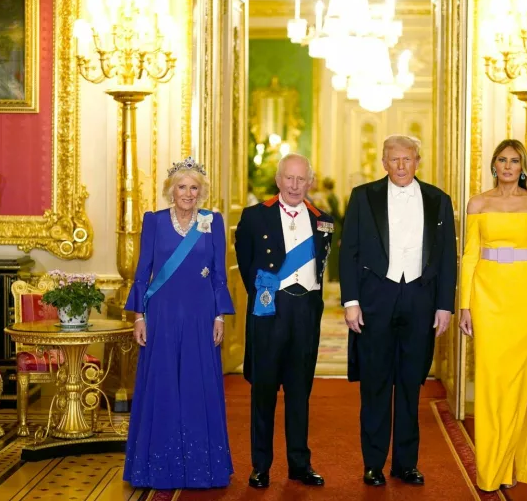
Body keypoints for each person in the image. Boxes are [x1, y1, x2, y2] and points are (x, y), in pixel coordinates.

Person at [339, 135, 457, 487]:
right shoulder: (363, 196)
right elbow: (350, 252)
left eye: (408, 159)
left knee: (410, 385)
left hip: (421, 301)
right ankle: (373, 463)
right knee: (375, 385)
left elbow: (448, 258)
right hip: (376, 299)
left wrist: (444, 306)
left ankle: (406, 464)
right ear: (384, 163)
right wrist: (350, 301)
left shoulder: (439, 200)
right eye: (395, 160)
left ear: (418, 161)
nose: (401, 166)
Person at [123, 156, 234, 490]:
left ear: (202, 192)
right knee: (163, 385)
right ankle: (156, 468)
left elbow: (218, 273)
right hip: (163, 315)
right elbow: (143, 272)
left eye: (194, 188)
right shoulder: (154, 221)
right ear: (170, 190)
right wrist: (139, 316)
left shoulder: (212, 221)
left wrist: (219, 316)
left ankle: (204, 469)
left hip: (201, 315)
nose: (188, 194)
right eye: (182, 187)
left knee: (198, 386)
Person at [458, 139, 527, 492]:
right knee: (488, 382)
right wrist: (464, 305)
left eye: (514, 161)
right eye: (502, 160)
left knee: (517, 385)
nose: (508, 166)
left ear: (522, 166)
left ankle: (510, 461)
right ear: (494, 165)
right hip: (486, 297)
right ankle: (489, 468)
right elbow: (469, 256)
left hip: (525, 297)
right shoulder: (478, 203)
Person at [234, 153, 334, 489]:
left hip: (306, 312)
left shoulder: (324, 221)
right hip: (269, 312)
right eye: (288, 178)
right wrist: (266, 295)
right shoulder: (253, 217)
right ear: (278, 180)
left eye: (301, 179)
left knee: (299, 392)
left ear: (310, 182)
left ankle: (299, 464)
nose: (294, 185)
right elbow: (247, 264)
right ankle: (260, 466)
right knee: (263, 392)